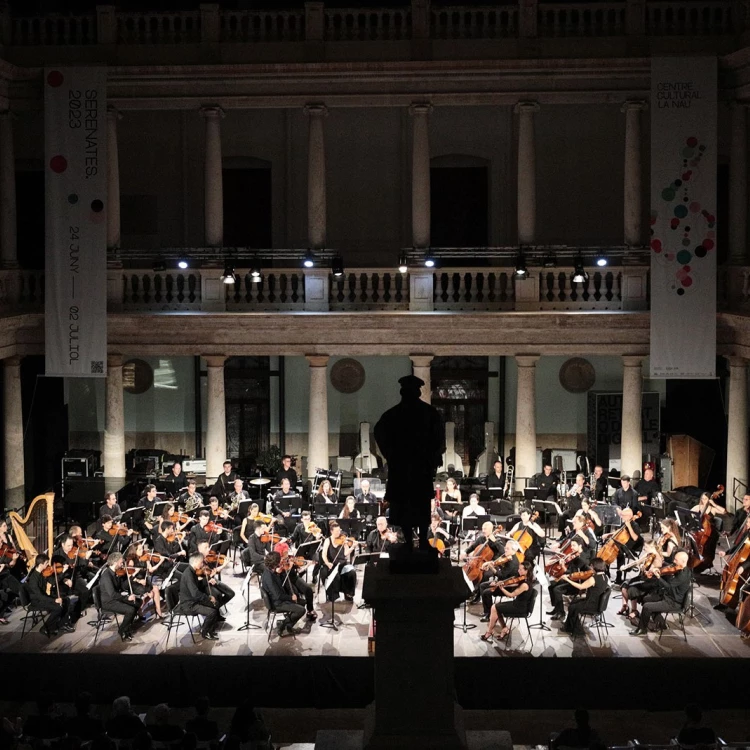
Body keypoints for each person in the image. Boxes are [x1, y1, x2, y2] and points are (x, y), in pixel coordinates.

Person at [374, 373, 445, 550]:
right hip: (420, 468)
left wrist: (390, 455)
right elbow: (439, 440)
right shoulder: (429, 413)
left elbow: (379, 433)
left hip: (402, 468)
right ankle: (420, 541)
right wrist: (434, 457)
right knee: (417, 504)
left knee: (405, 504)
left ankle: (410, 541)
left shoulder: (392, 414)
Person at [630, 550, 691, 635]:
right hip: (668, 595)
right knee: (645, 598)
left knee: (647, 607)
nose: (674, 561)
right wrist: (660, 570)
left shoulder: (683, 575)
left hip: (673, 602)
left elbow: (668, 586)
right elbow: (669, 568)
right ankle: (660, 623)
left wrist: (659, 577)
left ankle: (642, 629)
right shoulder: (682, 568)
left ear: (683, 561)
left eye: (676, 560)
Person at [480, 559, 534, 641]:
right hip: (518, 604)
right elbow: (513, 583)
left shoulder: (525, 585)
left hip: (519, 607)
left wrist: (501, 588)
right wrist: (502, 583)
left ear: (526, 571)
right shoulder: (524, 579)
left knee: (494, 607)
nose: (518, 570)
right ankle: (504, 628)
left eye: (520, 569)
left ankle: (489, 631)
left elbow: (511, 595)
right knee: (496, 608)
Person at [26, 553, 75, 636]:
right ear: (41, 564)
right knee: (57, 608)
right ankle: (45, 628)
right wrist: (54, 600)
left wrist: (63, 572)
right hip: (37, 601)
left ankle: (62, 624)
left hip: (44, 597)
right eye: (46, 563)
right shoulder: (33, 579)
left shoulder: (44, 573)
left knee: (66, 600)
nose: (48, 565)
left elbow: (53, 581)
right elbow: (39, 596)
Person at [560, 557, 608, 636]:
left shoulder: (594, 578)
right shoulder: (605, 577)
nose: (590, 568)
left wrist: (567, 579)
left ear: (593, 566)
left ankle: (578, 631)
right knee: (573, 603)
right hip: (598, 603)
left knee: (572, 607)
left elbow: (581, 586)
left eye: (591, 566)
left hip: (591, 604)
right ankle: (568, 627)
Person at [261, 550, 305, 636]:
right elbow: (278, 595)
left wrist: (279, 574)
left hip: (280, 599)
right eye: (279, 559)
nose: (282, 560)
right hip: (276, 603)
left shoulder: (271, 570)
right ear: (275, 563)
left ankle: (289, 625)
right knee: (301, 610)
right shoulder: (268, 576)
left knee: (303, 602)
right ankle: (283, 624)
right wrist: (290, 598)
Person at [98, 551, 140, 642]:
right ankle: (122, 630)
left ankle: (127, 625)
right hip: (108, 602)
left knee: (137, 602)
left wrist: (131, 576)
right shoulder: (106, 576)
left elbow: (122, 587)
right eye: (121, 563)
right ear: (115, 562)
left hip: (115, 598)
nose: (122, 565)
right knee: (130, 610)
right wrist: (127, 598)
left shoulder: (115, 573)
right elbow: (112, 594)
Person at [546, 538, 592, 621]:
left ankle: (561, 612)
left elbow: (572, 574)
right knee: (551, 585)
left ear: (580, 546)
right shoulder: (575, 555)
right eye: (571, 545)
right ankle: (557, 608)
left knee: (557, 590)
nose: (571, 548)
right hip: (570, 578)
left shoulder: (581, 558)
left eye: (574, 545)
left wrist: (563, 566)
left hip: (577, 582)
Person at [179, 553, 221, 640]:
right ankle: (204, 632)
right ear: (195, 561)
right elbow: (195, 593)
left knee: (216, 604)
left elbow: (197, 585)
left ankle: (210, 630)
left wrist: (207, 581)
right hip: (189, 604)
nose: (202, 565)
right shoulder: (188, 574)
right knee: (211, 611)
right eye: (201, 562)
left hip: (193, 600)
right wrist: (209, 598)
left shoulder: (192, 571)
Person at [479, 538, 521, 621]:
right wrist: (491, 563)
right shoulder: (508, 557)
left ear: (514, 550)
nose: (505, 550)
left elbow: (501, 575)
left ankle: (489, 615)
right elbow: (501, 571)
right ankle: (487, 611)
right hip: (502, 582)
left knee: (486, 592)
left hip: (507, 586)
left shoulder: (512, 562)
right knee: (482, 585)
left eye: (507, 549)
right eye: (505, 548)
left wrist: (492, 568)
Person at [274, 541, 317, 621]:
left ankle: (310, 610)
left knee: (308, 589)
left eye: (287, 551)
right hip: (286, 581)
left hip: (294, 578)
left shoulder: (290, 557)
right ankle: (293, 617)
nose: (287, 553)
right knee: (296, 594)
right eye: (285, 552)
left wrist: (306, 564)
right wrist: (287, 566)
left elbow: (299, 570)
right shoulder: (276, 562)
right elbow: (278, 574)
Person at [603, 505, 643, 585]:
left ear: (629, 516)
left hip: (631, 546)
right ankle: (606, 573)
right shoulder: (624, 523)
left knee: (619, 553)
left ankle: (619, 577)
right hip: (622, 543)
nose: (621, 516)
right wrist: (608, 534)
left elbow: (635, 538)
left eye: (623, 515)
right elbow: (618, 532)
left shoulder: (635, 525)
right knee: (608, 547)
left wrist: (629, 526)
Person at [320, 521, 357, 601]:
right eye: (336, 531)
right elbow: (324, 555)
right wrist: (327, 563)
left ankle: (349, 593)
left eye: (339, 530)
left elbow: (346, 553)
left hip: (342, 564)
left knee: (352, 572)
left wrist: (353, 547)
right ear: (331, 531)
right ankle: (333, 595)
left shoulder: (343, 539)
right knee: (335, 576)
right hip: (332, 565)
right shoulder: (327, 540)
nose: (339, 533)